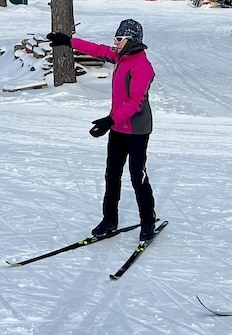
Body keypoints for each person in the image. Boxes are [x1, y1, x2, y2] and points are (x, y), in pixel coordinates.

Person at [47, 19, 158, 242]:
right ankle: (109, 219)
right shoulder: (121, 56)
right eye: (115, 39)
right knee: (112, 175)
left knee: (138, 177)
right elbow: (96, 49)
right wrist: (68, 41)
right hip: (118, 127)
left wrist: (109, 120)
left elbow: (137, 102)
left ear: (132, 40)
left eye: (119, 39)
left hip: (137, 130)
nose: (115, 43)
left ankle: (148, 221)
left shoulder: (142, 66)